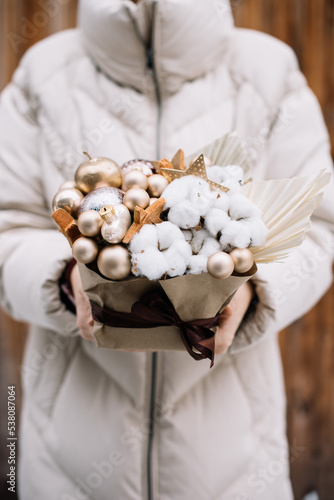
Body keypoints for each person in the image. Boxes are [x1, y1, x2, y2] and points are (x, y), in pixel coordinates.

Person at [0, 1, 333, 499]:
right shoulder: (44, 74)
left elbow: (318, 226)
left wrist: (253, 292)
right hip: (68, 463)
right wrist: (64, 282)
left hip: (231, 463)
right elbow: (8, 225)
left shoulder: (268, 71)